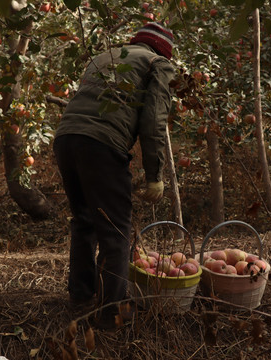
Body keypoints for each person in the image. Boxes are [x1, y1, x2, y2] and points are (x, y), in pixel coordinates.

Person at [52, 22, 176, 329]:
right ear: (164, 51)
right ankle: (111, 317)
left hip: (66, 138)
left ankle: (80, 296)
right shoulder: (157, 64)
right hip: (101, 144)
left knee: (84, 221)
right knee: (116, 233)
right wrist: (154, 175)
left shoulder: (106, 56)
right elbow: (154, 121)